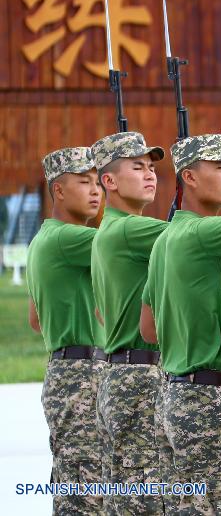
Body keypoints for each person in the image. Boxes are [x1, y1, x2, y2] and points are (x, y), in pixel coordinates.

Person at [143, 134, 221, 513]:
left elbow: (149, 329)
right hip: (211, 397)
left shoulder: (165, 238)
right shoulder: (209, 232)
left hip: (177, 393)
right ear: (189, 176)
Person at [89, 131, 168, 514]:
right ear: (109, 181)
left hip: (124, 372)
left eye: (152, 167)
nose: (150, 174)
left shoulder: (109, 231)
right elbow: (186, 238)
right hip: (139, 375)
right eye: (137, 167)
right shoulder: (128, 229)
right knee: (145, 495)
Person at [26, 146, 104, 514]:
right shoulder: (68, 238)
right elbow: (122, 245)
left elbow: (35, 318)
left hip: (69, 369)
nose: (96, 190)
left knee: (80, 484)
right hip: (83, 374)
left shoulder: (45, 238)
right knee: (87, 491)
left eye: (98, 182)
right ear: (58, 190)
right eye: (84, 181)